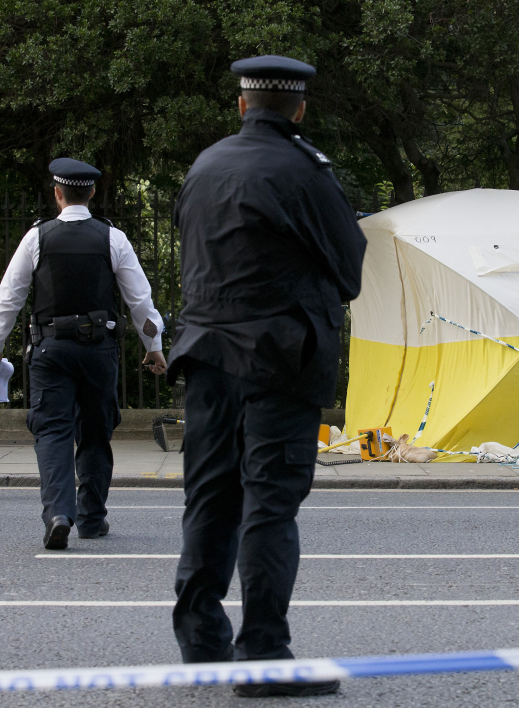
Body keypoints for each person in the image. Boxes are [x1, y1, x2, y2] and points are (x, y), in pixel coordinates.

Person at [167, 55, 367, 697]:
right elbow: (350, 272)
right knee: (270, 505)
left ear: (241, 105)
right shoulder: (304, 171)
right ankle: (264, 656)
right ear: (299, 109)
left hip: (207, 358)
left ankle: (201, 643)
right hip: (278, 361)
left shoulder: (206, 166)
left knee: (210, 498)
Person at [0, 158, 167, 550]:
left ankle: (58, 514)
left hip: (50, 349)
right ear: (93, 192)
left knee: (52, 431)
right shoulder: (112, 238)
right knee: (97, 433)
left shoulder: (37, 237)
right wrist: (154, 348)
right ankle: (93, 519)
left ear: (58, 193)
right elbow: (141, 302)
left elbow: (8, 299)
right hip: (99, 351)